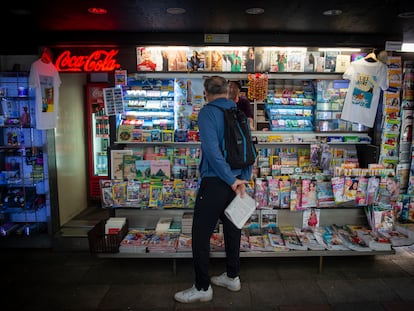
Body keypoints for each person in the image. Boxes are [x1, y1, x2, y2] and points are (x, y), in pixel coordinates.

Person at [174, 76, 253, 304]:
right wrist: (241, 180)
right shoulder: (238, 111)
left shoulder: (208, 112)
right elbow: (249, 148)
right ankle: (232, 276)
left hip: (217, 182)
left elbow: (211, 151)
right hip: (237, 180)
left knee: (200, 233)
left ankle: (202, 287)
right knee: (232, 229)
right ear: (228, 91)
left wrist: (229, 179)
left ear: (206, 92)